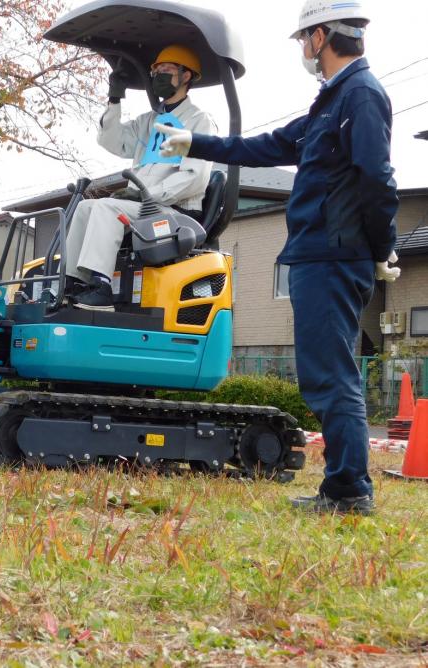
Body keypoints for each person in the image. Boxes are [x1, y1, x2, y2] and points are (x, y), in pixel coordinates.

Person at [157, 0, 400, 515]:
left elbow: (378, 179)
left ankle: (349, 491)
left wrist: (381, 248)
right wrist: (195, 141)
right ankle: (342, 486)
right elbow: (268, 146)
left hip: (334, 255)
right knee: (324, 372)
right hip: (320, 255)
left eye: (303, 40)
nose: (303, 51)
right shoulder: (332, 101)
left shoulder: (360, 94)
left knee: (331, 375)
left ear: (320, 36)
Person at [65, 44, 217, 311]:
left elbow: (194, 177)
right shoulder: (149, 122)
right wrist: (114, 99)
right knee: (85, 208)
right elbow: (111, 141)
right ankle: (73, 283)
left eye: (166, 70)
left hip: (174, 211)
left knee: (106, 207)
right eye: (155, 70)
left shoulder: (198, 121)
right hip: (144, 206)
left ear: (186, 76)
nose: (157, 75)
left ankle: (102, 287)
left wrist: (147, 193)